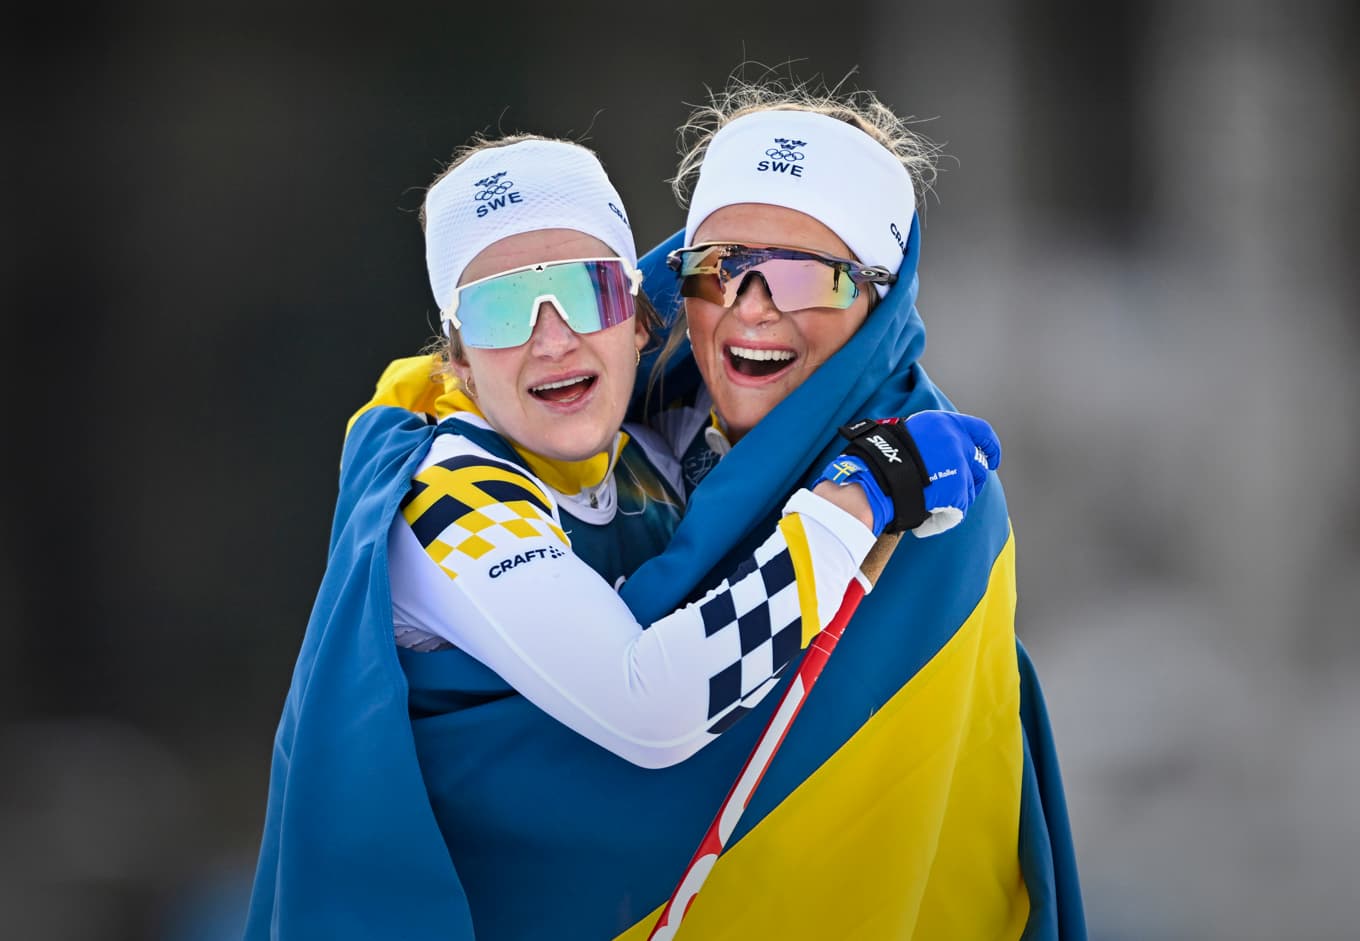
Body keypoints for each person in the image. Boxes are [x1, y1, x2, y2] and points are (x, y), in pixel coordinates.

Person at [244, 132, 1003, 940]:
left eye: (585, 293)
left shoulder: (648, 449)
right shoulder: (448, 497)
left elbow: (784, 382)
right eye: (501, 308)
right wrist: (866, 494)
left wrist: (751, 264)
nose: (553, 337)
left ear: (641, 320)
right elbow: (653, 709)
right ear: (459, 359)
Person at [613, 75, 1087, 938]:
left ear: (878, 299)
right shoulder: (603, 440)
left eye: (807, 278)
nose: (753, 308)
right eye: (722, 268)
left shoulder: (934, 495)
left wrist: (862, 496)